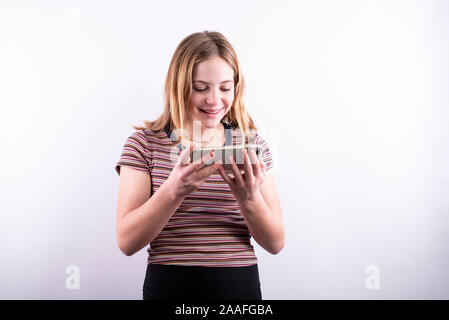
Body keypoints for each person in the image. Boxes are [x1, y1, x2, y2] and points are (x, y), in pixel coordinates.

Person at [114, 30, 285, 300]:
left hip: (239, 288)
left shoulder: (251, 145)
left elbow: (275, 243)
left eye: (225, 88)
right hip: (169, 285)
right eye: (200, 88)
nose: (214, 100)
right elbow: (126, 242)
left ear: (236, 87)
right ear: (179, 86)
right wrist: (174, 190)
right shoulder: (144, 144)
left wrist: (249, 198)